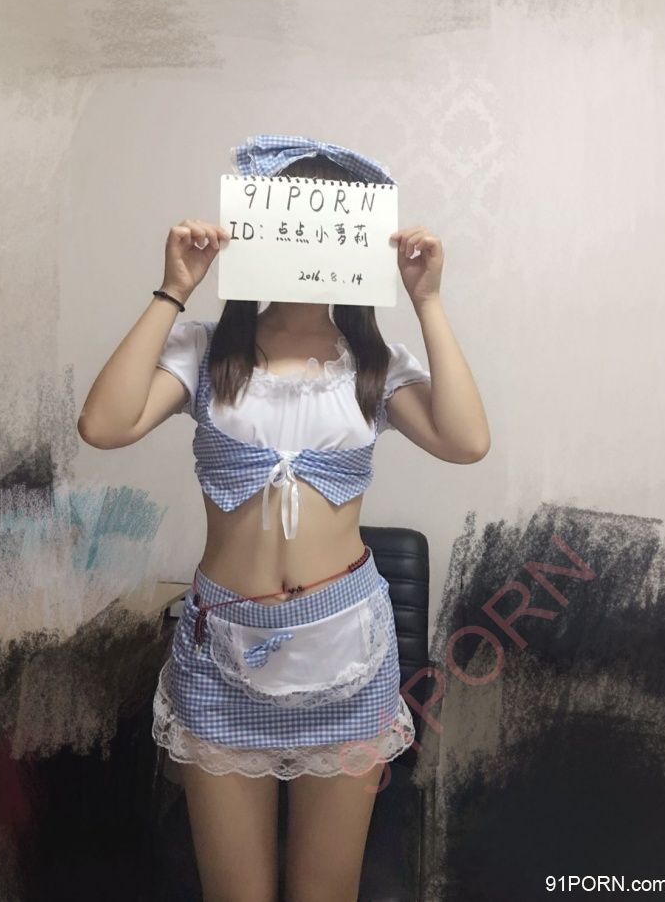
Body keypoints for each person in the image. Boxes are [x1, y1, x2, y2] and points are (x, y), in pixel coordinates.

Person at [77, 135, 491, 902]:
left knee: (324, 893)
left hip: (348, 658)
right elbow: (104, 425)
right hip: (222, 654)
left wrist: (427, 300)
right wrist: (173, 289)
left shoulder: (374, 364)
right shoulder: (207, 350)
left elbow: (466, 441)